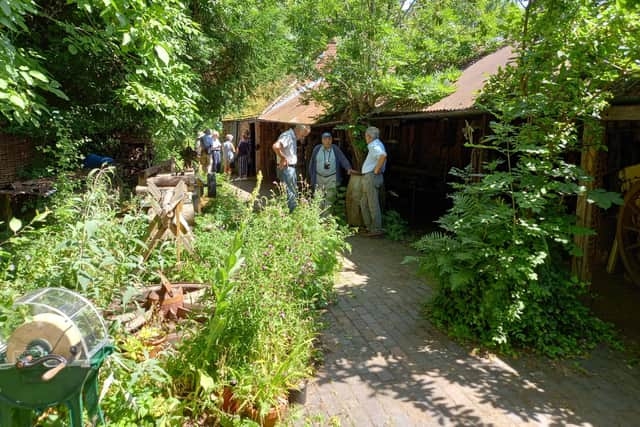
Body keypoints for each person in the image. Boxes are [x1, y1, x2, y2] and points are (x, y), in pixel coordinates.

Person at [308, 131, 354, 210]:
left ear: (332, 140)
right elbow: (312, 163)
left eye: (329, 139)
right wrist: (312, 176)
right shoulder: (317, 149)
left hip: (332, 178)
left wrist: (348, 168)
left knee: (330, 199)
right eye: (325, 139)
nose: (327, 141)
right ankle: (319, 219)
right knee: (318, 199)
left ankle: (327, 220)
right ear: (322, 140)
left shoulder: (335, 149)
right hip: (319, 177)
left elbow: (342, 159)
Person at [272, 124, 311, 212]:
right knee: (291, 194)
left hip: (289, 168)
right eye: (303, 135)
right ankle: (291, 215)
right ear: (299, 130)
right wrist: (283, 158)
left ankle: (288, 214)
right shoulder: (288, 136)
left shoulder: (292, 137)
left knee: (289, 192)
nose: (303, 138)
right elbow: (275, 146)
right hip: (287, 168)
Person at [360, 126, 387, 237]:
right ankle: (370, 227)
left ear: (369, 136)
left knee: (372, 204)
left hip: (371, 177)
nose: (365, 138)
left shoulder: (373, 145)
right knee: (364, 203)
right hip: (374, 177)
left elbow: (383, 156)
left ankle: (376, 229)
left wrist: (375, 169)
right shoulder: (379, 143)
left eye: (366, 136)